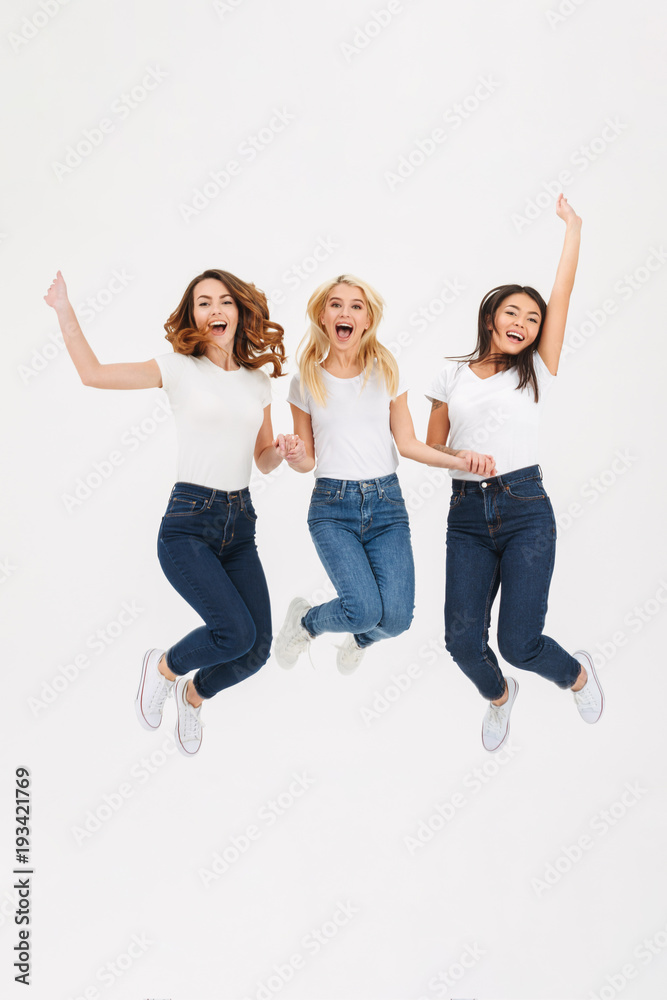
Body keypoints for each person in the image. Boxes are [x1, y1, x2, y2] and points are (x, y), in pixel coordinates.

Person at [44, 268, 288, 756]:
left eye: (224, 301)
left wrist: (282, 450)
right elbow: (94, 375)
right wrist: (65, 311)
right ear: (193, 314)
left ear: (240, 311)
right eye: (203, 302)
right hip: (188, 526)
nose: (215, 309)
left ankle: (192, 696)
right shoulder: (177, 368)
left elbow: (261, 459)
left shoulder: (258, 382)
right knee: (234, 632)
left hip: (240, 525)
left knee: (257, 649)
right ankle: (163, 666)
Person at [425, 195, 603, 752]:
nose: (523, 324)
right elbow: (432, 445)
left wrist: (573, 227)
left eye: (532, 319)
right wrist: (461, 460)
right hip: (468, 515)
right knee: (460, 641)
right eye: (513, 314)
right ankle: (502, 697)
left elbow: (563, 291)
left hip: (527, 509)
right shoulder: (450, 374)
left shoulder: (539, 372)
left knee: (519, 641)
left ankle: (576, 674)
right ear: (490, 318)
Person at [274, 274, 495, 675]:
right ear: (323, 317)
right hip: (332, 507)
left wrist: (462, 458)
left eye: (356, 306)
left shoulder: (386, 372)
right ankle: (305, 623)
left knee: (394, 620)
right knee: (361, 609)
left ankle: (359, 638)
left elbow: (409, 444)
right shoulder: (305, 380)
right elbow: (307, 460)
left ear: (368, 318)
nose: (346, 312)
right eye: (336, 304)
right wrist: (293, 454)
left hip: (386, 506)